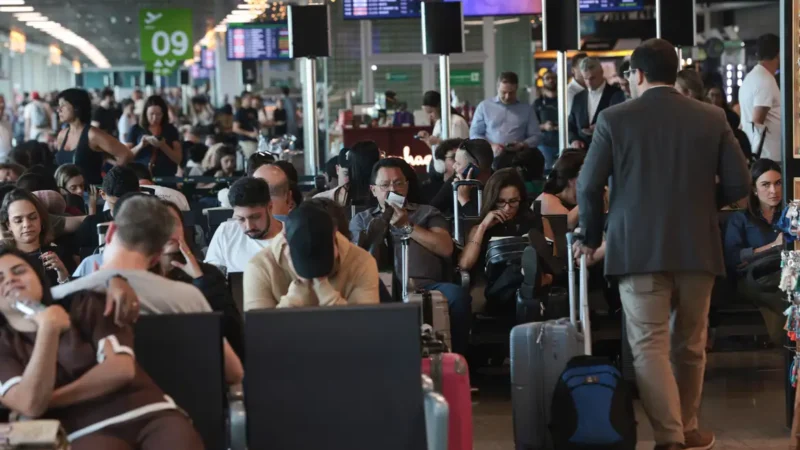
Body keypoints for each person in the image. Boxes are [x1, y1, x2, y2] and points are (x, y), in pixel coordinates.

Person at [574, 38, 751, 450]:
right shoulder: (711, 116)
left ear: (636, 74)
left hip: (637, 250)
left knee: (649, 345)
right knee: (690, 344)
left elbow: (587, 185)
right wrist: (704, 207)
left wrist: (592, 235)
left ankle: (670, 438)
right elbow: (741, 184)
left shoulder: (615, 119)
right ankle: (688, 427)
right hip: (697, 248)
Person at [0, 247, 204, 449]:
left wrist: (49, 401)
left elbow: (120, 370)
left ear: (37, 276)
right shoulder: (4, 345)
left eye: (19, 271)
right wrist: (48, 329)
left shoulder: (84, 304)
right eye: (0, 278)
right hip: (81, 433)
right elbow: (29, 403)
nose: (10, 279)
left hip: (147, 412)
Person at [53, 194, 244, 385]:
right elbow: (234, 372)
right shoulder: (188, 298)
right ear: (157, 255)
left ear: (110, 232)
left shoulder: (59, 297)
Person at [351, 158, 472, 353]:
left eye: (399, 183)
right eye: (385, 185)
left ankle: (458, 362)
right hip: (379, 287)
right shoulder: (361, 220)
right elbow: (354, 257)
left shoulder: (427, 213)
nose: (393, 189)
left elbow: (445, 248)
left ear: (406, 186)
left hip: (425, 286)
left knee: (457, 297)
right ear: (374, 190)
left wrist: (408, 226)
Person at [244, 201, 379, 310]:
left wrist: (322, 286)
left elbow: (363, 329)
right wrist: (298, 290)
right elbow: (262, 335)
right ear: (285, 238)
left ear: (334, 234)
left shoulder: (361, 262)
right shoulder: (260, 267)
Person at [457, 168, 555, 311]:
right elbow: (464, 265)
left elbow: (553, 262)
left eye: (513, 201)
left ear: (521, 199)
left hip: (535, 287)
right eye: (501, 202)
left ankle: (529, 281)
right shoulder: (479, 228)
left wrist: (546, 278)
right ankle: (529, 280)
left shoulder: (536, 221)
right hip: (498, 289)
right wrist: (483, 226)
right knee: (516, 272)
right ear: (492, 200)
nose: (507, 208)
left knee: (526, 279)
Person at [160, 200, 245, 360]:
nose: (169, 230)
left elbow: (234, 336)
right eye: (159, 224)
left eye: (174, 223)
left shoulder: (208, 274)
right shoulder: (135, 276)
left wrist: (201, 279)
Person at [723, 159, 784, 345]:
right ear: (755, 190)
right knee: (785, 294)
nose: (773, 191)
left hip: (785, 274)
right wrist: (774, 246)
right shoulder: (740, 219)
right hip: (754, 278)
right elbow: (734, 259)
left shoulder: (789, 215)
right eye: (766, 185)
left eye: (778, 183)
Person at [54, 89, 133, 185]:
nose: (59, 109)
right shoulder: (62, 135)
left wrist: (110, 180)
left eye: (63, 105)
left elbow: (125, 154)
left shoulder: (92, 134)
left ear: (76, 107)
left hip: (90, 196)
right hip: (67, 195)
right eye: (59, 105)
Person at [205, 177, 283, 274]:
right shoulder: (226, 231)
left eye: (255, 217)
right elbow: (212, 278)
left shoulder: (290, 237)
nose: (249, 226)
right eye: (241, 219)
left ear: (270, 207)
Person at [0, 189, 75, 287]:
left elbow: (76, 298)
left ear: (41, 219)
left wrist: (62, 272)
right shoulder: (3, 258)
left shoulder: (60, 254)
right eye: (18, 221)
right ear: (8, 225)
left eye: (32, 218)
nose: (27, 224)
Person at [470, 72, 541, 169]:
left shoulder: (526, 109)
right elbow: (474, 134)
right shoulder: (484, 107)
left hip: (519, 159)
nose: (507, 96)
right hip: (491, 158)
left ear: (516, 89)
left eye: (511, 93)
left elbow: (536, 136)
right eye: (503, 92)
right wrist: (491, 146)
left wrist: (522, 144)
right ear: (497, 88)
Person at [73, 165, 139, 256]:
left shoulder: (147, 223)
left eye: (127, 203)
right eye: (114, 204)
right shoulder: (91, 224)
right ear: (102, 194)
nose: (121, 209)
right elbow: (77, 257)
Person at [738, 33, 781, 162]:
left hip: (763, 155)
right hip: (768, 157)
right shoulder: (765, 80)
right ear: (779, 53)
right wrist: (755, 158)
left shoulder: (752, 77)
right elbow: (757, 122)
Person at [568, 57, 625, 149]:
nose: (589, 83)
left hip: (608, 150)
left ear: (601, 73)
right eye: (585, 79)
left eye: (592, 78)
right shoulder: (578, 97)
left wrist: (602, 127)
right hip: (583, 151)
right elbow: (571, 124)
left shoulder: (617, 94)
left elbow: (623, 124)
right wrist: (574, 140)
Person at [430, 138, 494, 217]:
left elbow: (482, 225)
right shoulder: (456, 180)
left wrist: (464, 199)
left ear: (474, 169)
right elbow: (431, 211)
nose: (454, 166)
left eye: (458, 163)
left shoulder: (500, 184)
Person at [126, 95, 182, 177]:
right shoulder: (136, 129)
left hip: (166, 177)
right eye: (151, 114)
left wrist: (163, 145)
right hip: (140, 177)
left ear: (164, 114)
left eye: (158, 114)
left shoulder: (170, 129)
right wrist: (140, 145)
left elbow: (178, 159)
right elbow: (125, 156)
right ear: (145, 113)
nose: (155, 118)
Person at [536, 151, 584, 229]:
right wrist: (590, 197)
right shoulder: (547, 199)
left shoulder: (573, 202)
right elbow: (566, 226)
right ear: (572, 180)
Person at [533, 70, 560, 169]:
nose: (551, 80)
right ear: (543, 81)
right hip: (545, 144)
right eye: (547, 78)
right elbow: (531, 126)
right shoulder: (538, 103)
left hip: (563, 141)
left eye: (553, 78)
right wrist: (544, 126)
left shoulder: (564, 100)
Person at [233, 91, 259, 158]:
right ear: (243, 99)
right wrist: (249, 133)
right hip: (246, 141)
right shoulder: (240, 112)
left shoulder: (253, 110)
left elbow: (255, 123)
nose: (251, 100)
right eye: (249, 98)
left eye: (251, 98)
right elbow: (235, 128)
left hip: (256, 140)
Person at [0, 94, 13, 162]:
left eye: (2, 108)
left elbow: (10, 144)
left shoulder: (7, 124)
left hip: (7, 162)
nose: (0, 112)